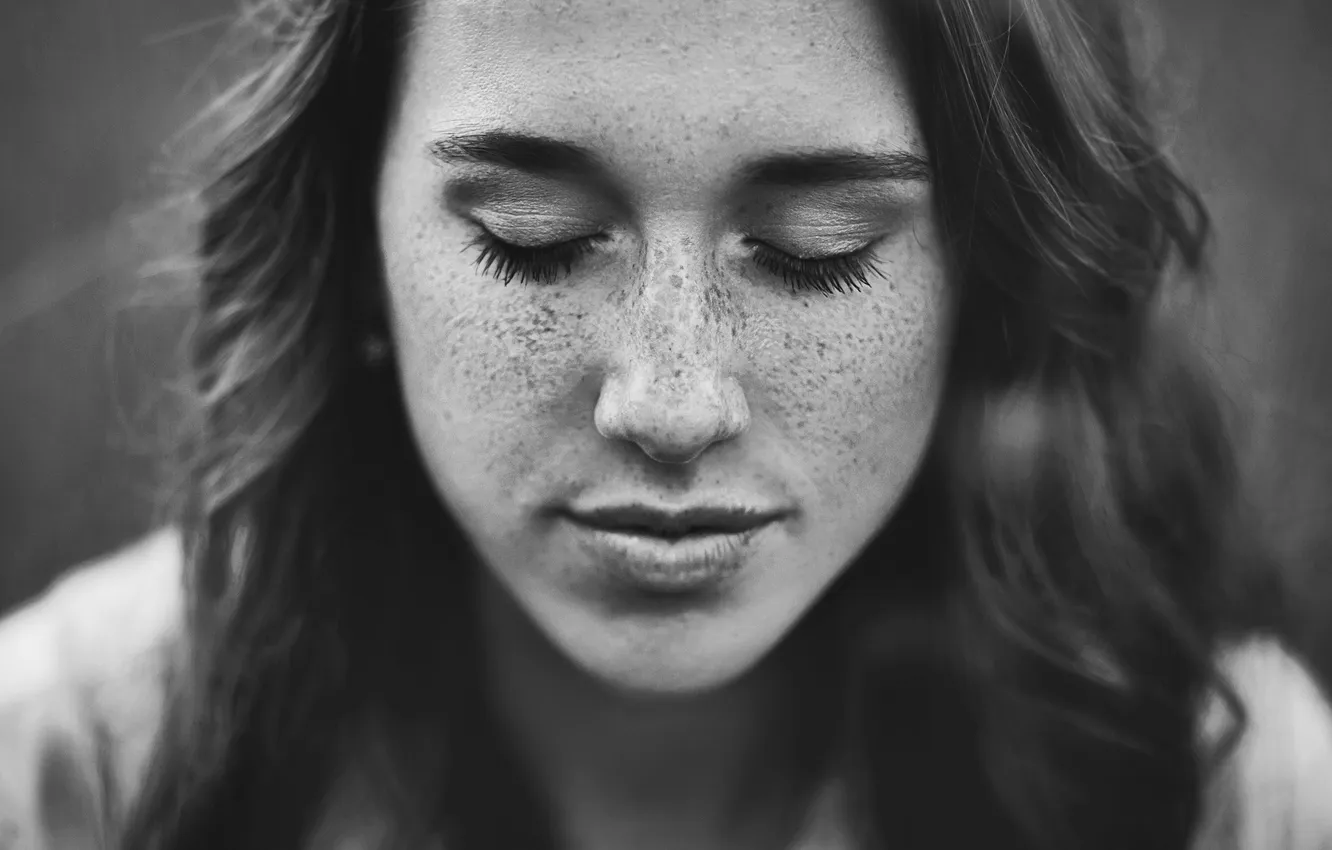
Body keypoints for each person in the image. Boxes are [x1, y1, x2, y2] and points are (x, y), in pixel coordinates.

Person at [1, 0, 1331, 848]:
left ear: (988, 271)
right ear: (355, 242)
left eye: (817, 253)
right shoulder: (75, 770)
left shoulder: (1212, 793)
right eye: (538, 243)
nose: (673, 402)